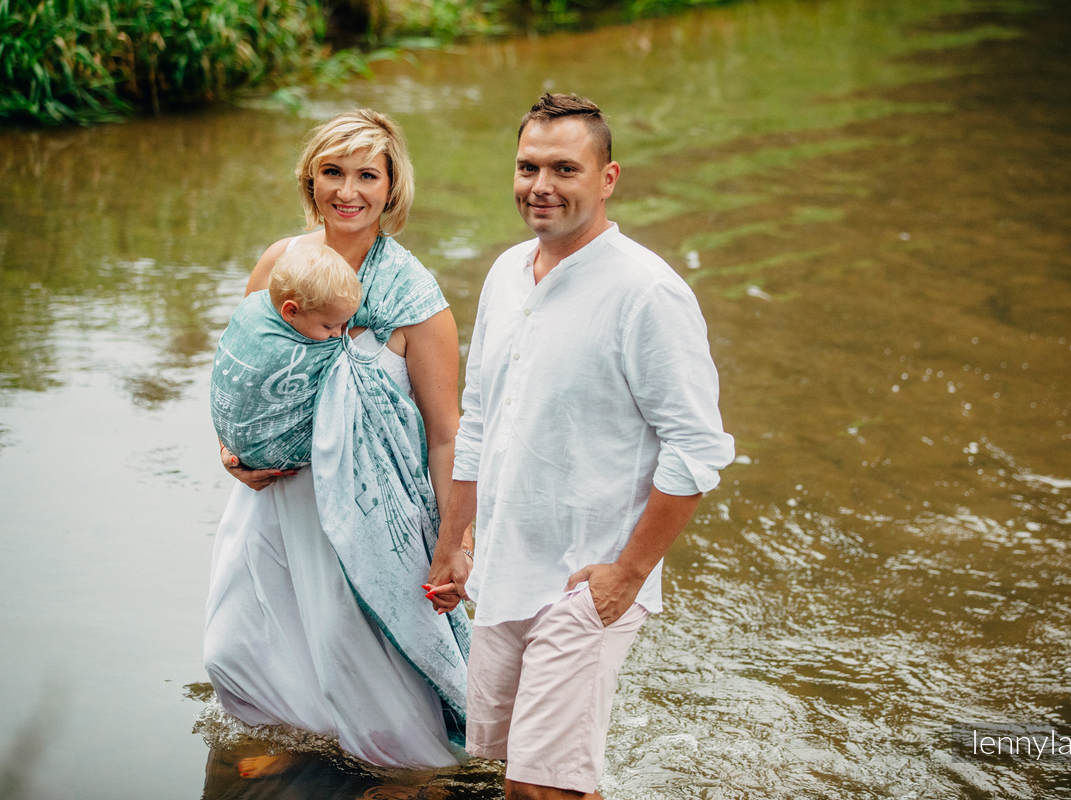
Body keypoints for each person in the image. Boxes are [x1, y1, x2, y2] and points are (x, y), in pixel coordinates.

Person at [425, 93, 735, 799]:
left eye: (565, 169)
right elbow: (480, 421)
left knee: (541, 789)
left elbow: (697, 449)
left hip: (585, 581)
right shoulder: (506, 274)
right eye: (528, 167)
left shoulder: (647, 293)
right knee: (518, 774)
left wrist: (627, 574)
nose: (541, 186)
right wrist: (456, 542)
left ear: (608, 178)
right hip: (505, 569)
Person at [203, 109, 473, 774]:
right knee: (242, 641)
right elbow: (242, 368)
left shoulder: (415, 298)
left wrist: (455, 543)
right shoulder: (281, 264)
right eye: (332, 172)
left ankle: (415, 775)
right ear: (311, 180)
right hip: (277, 497)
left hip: (367, 510)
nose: (348, 191)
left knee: (358, 653)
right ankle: (288, 739)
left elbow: (447, 435)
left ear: (391, 188)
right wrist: (229, 451)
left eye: (366, 175)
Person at [210, 241, 361, 471]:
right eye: (329, 326)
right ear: (291, 311)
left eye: (344, 324)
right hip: (273, 454)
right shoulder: (287, 352)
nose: (338, 334)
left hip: (231, 444)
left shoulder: (251, 307)